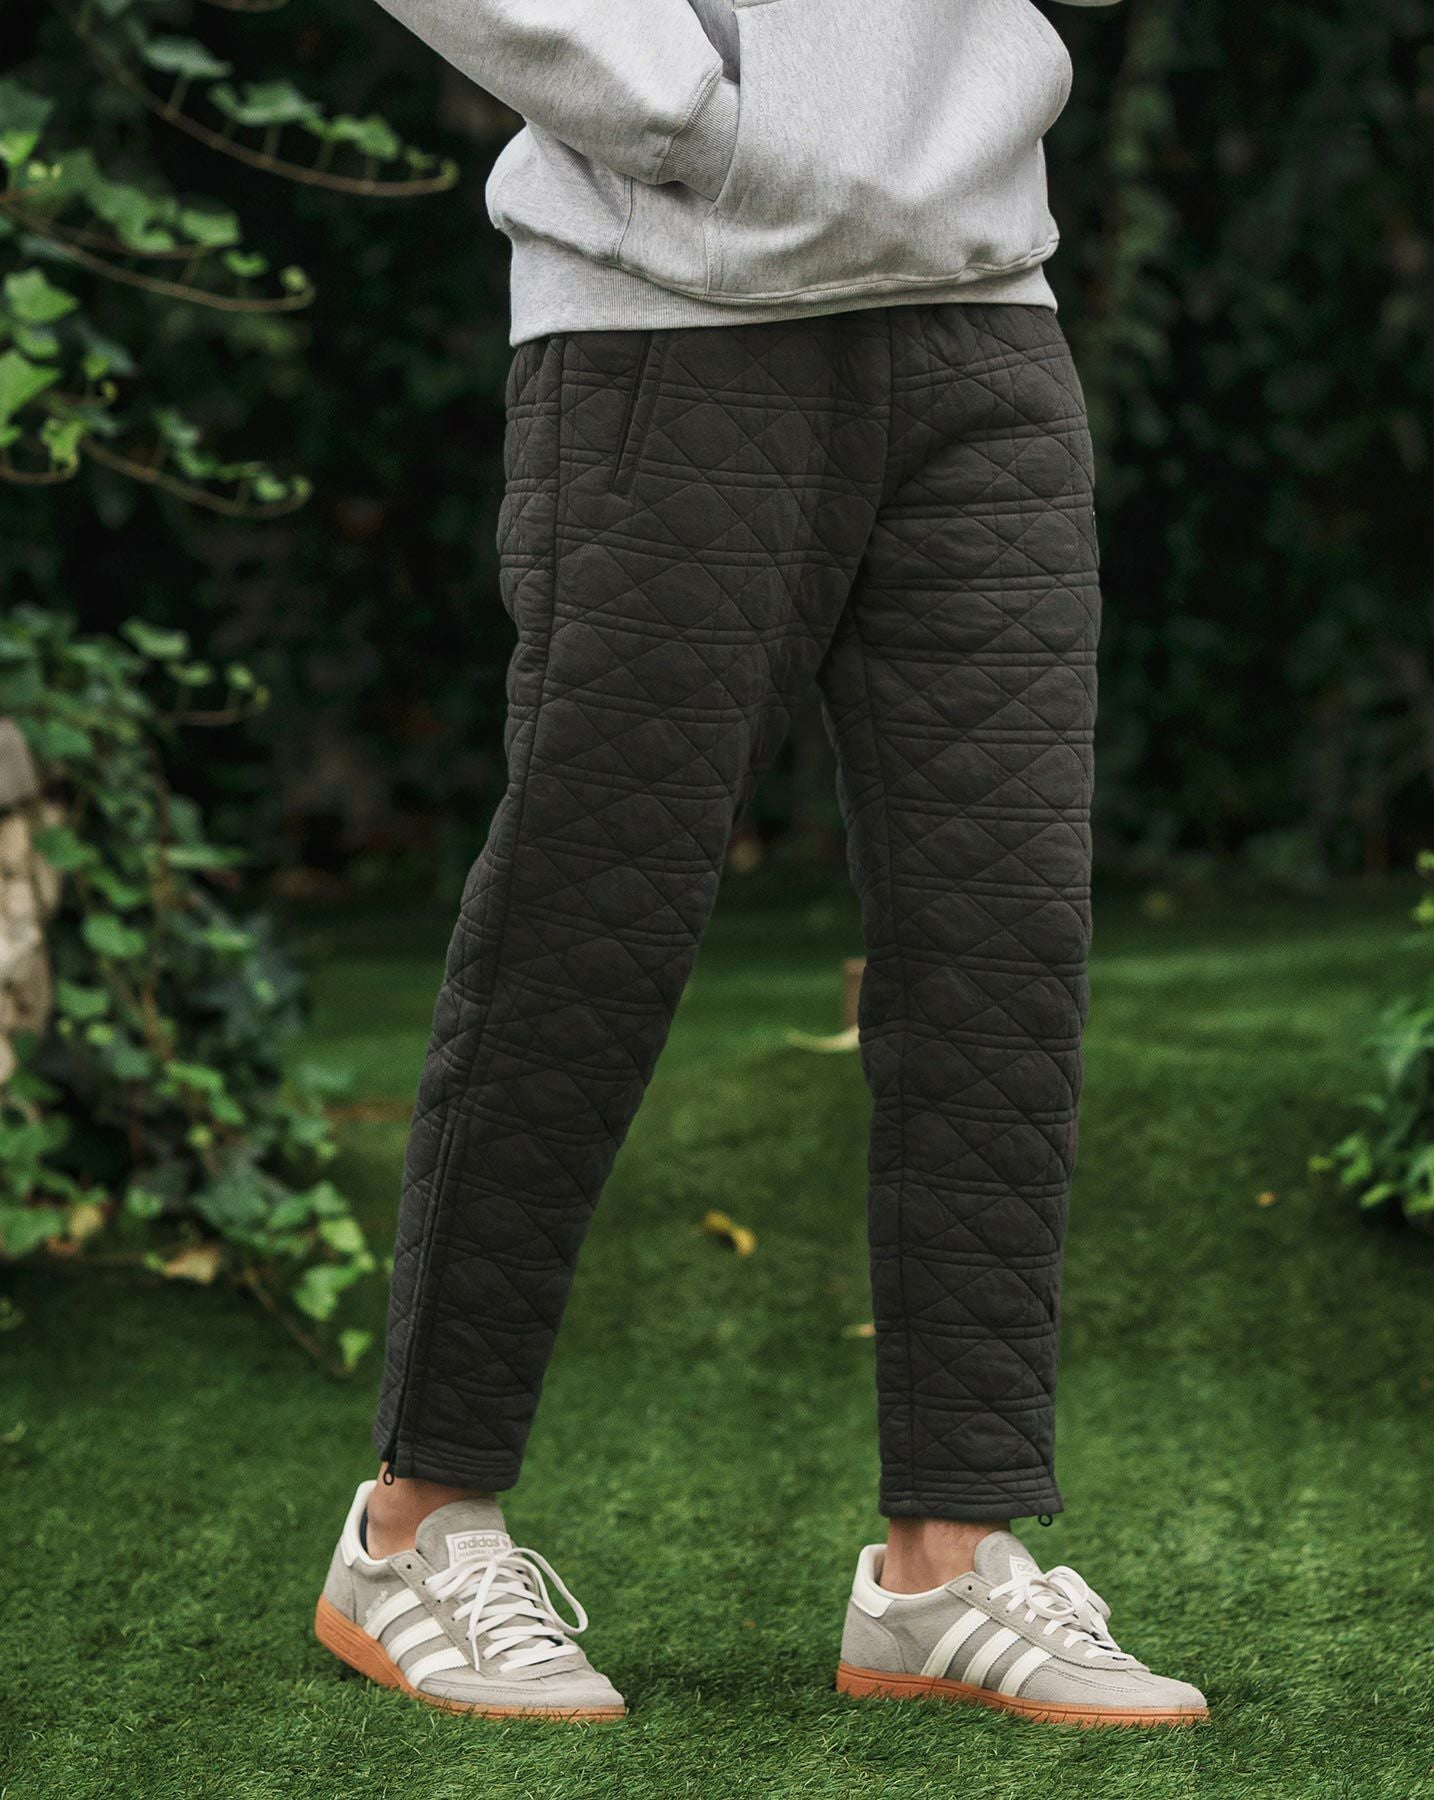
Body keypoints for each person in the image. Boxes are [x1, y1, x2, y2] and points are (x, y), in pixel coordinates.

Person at [314, 0, 1208, 1727]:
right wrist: (698, 124)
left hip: (984, 308)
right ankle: (413, 1531)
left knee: (1002, 938)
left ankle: (946, 1567)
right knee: (591, 923)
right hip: (668, 318)